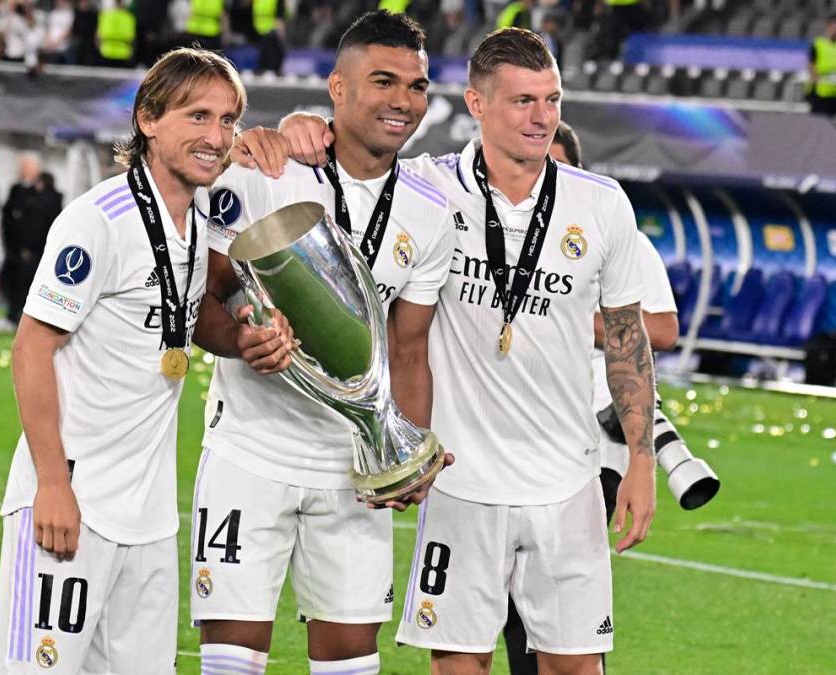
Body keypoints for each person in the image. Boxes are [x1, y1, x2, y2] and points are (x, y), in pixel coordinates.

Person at [278, 26, 657, 675]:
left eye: (551, 99)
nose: (542, 118)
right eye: (522, 101)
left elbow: (627, 338)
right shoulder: (428, 188)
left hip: (565, 481)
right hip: (459, 481)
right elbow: (355, 154)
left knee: (575, 665)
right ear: (477, 105)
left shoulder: (600, 204)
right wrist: (296, 125)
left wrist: (642, 460)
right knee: (459, 662)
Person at [0, 47, 294, 674]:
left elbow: (188, 319)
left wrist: (243, 334)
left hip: (150, 518)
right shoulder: (96, 222)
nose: (217, 137)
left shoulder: (201, 217)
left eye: (228, 119)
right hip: (70, 502)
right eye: (198, 116)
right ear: (149, 120)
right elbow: (31, 348)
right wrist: (52, 485)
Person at [191, 11, 454, 675]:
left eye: (417, 86)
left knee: (349, 663)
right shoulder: (266, 170)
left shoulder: (428, 210)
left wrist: (404, 445)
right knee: (231, 660)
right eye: (383, 81)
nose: (402, 101)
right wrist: (243, 338)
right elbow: (203, 295)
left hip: (351, 469)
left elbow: (410, 346)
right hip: (252, 448)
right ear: (336, 88)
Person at [501, 120, 679, 675]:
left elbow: (664, 329)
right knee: (510, 602)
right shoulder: (502, 232)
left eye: (551, 163)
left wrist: (577, 317)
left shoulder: (610, 228)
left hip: (593, 446)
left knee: (560, 603)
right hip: (509, 437)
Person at [0, 152, 42, 329]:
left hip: (35, 250)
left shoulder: (43, 193)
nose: (23, 171)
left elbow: (40, 222)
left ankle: (26, 320)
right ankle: (12, 315)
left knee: (29, 285)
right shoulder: (15, 189)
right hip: (15, 248)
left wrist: (31, 247)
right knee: (12, 283)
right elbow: (8, 219)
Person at [808, 14, 836, 118]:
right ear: (828, 27)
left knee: (833, 121)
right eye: (834, 27)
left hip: (835, 88)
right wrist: (816, 77)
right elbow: (811, 62)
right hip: (821, 88)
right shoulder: (818, 43)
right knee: (817, 119)